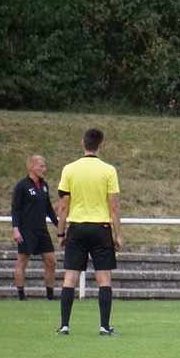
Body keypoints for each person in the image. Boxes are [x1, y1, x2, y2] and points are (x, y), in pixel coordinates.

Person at [55, 128, 122, 336]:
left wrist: (61, 233)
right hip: (100, 227)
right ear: (101, 145)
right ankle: (104, 326)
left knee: (70, 277)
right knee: (104, 278)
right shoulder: (108, 170)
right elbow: (114, 206)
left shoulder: (69, 169)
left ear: (82, 143)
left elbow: (63, 206)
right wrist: (118, 234)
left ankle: (64, 325)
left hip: (77, 227)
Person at [11, 155, 59, 301]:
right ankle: (21, 295)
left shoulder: (44, 186)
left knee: (51, 261)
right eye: (41, 166)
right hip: (26, 229)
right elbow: (15, 208)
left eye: (44, 166)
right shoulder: (22, 186)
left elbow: (48, 208)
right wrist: (15, 228)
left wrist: (59, 226)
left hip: (41, 229)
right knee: (22, 261)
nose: (44, 169)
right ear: (32, 168)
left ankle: (50, 295)